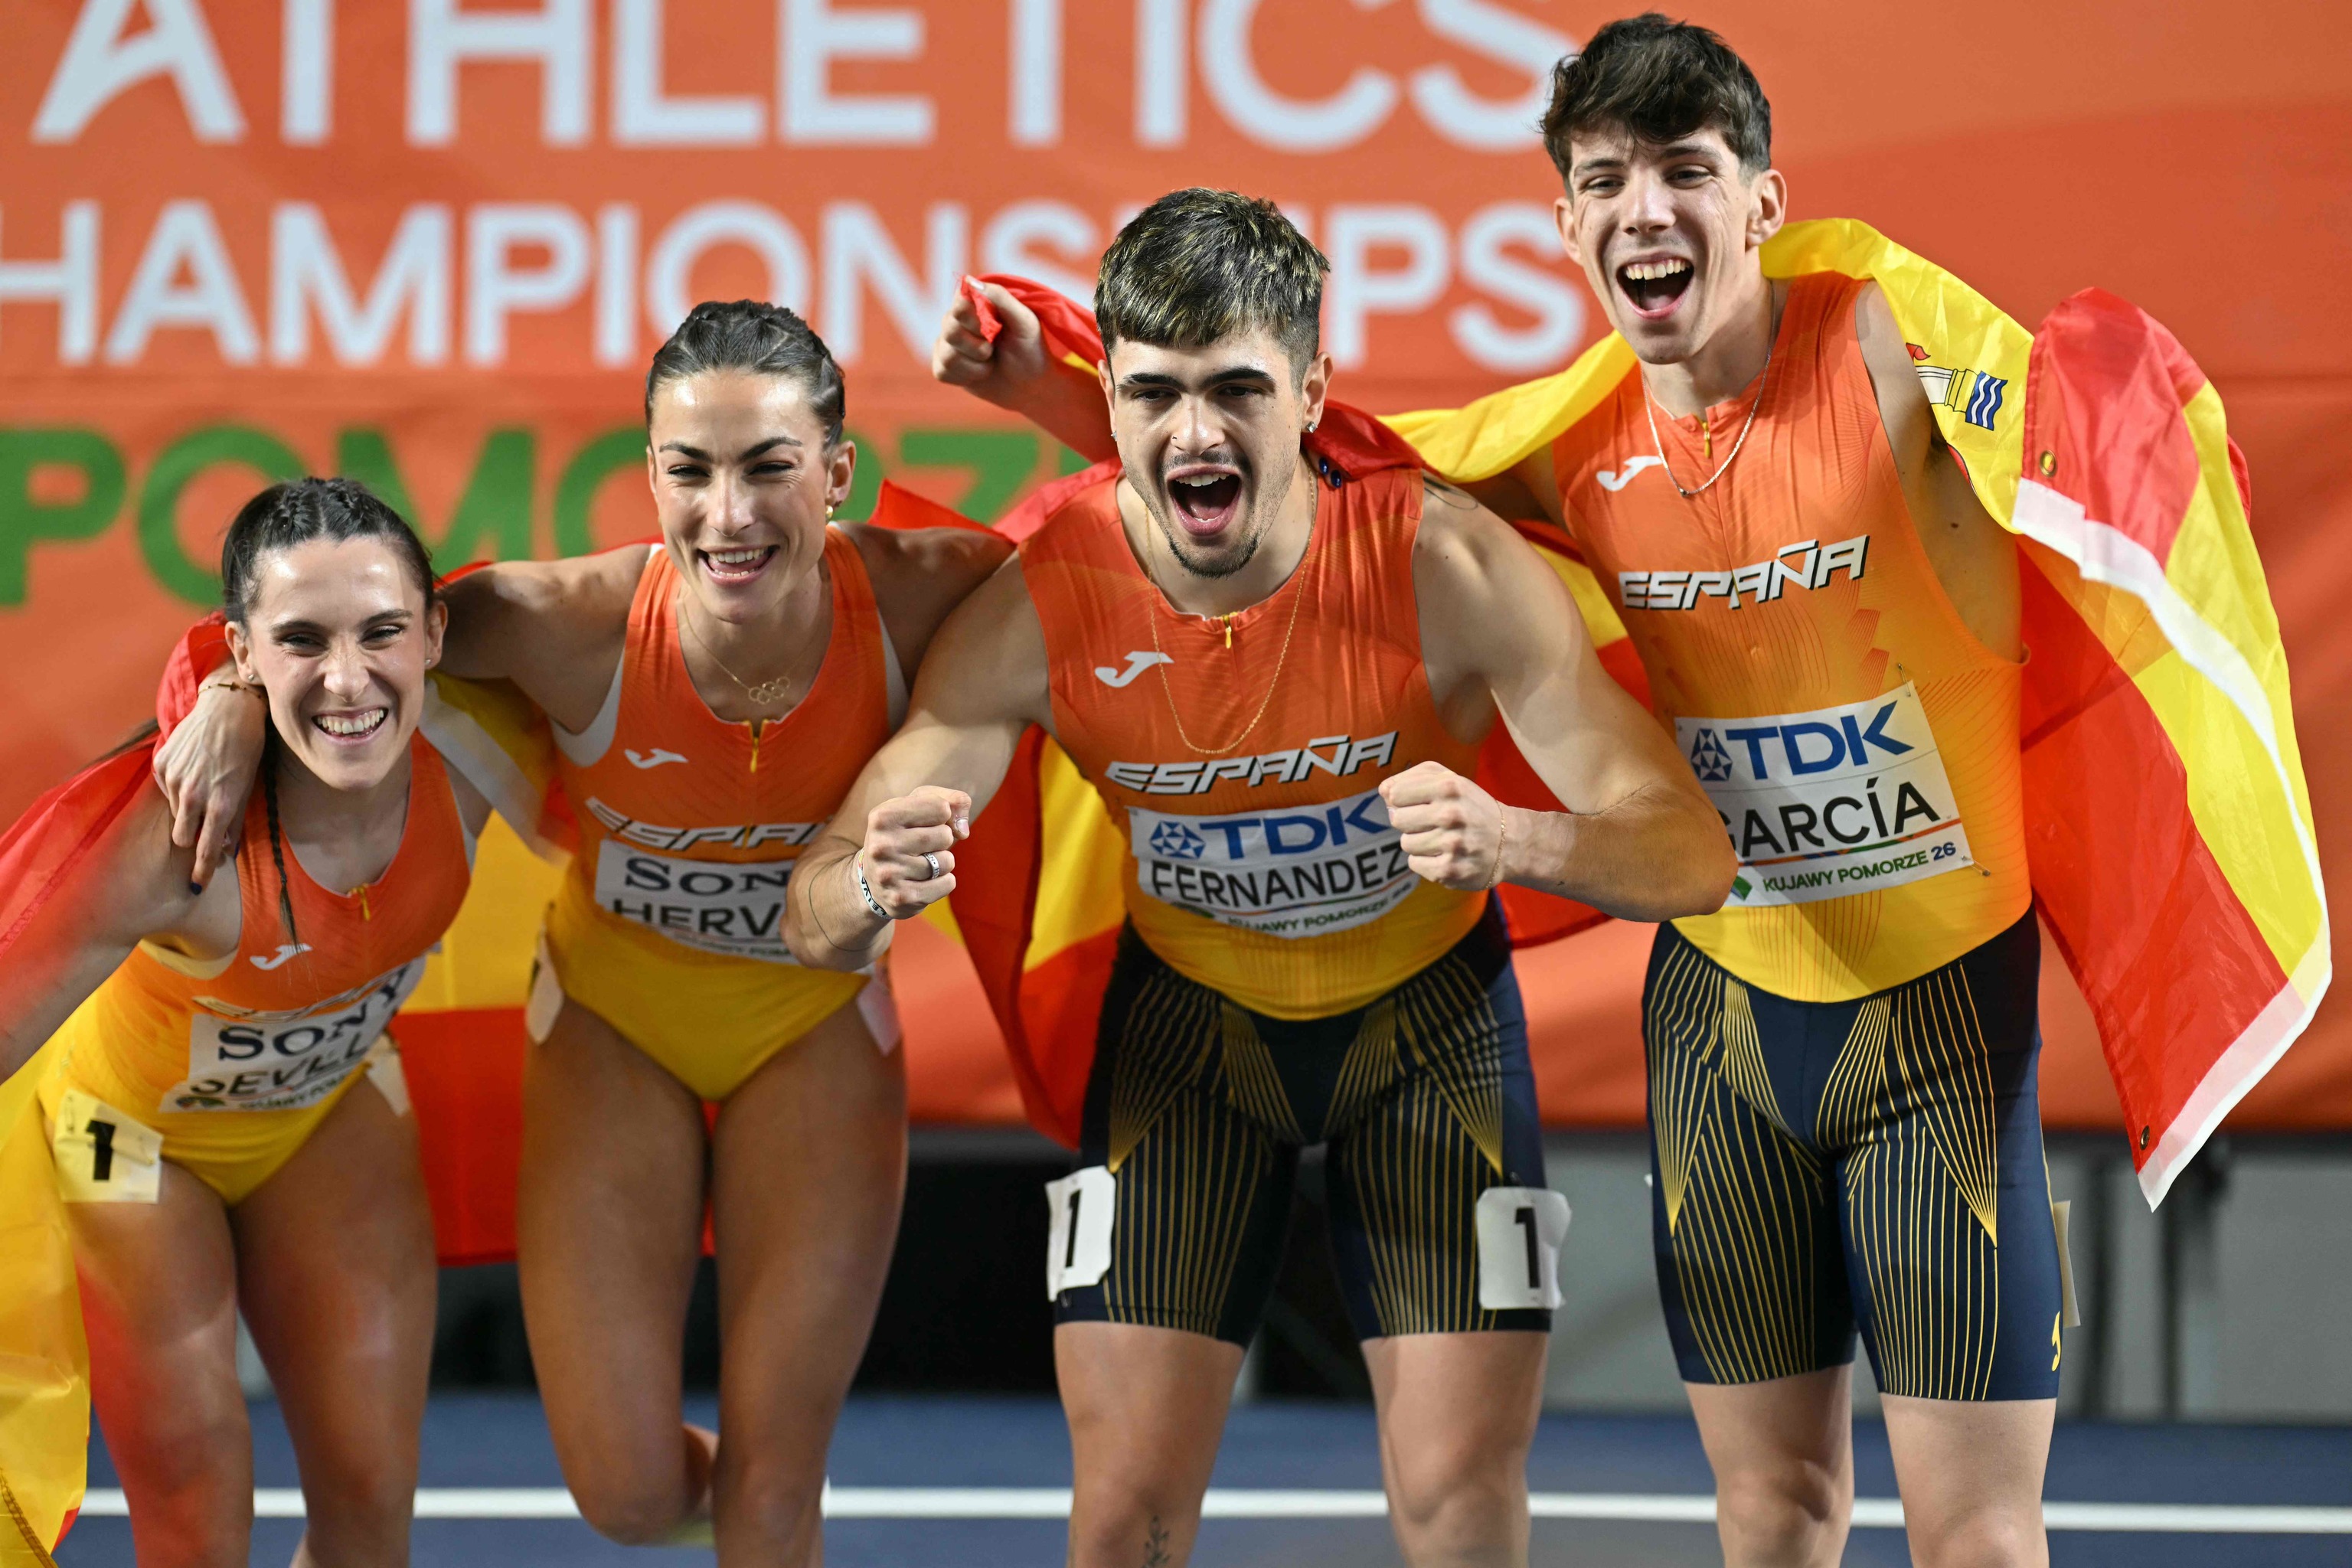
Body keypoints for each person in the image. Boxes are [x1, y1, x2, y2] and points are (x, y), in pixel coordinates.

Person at [939, 18, 2069, 1568]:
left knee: (1983, 1538)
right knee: (1778, 1507)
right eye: (1605, 178)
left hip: (1936, 1010)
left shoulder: (1888, 347)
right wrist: (1067, 402)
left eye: (1687, 171)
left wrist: (2079, 408)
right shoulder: (1571, 436)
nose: (1645, 209)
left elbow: (2090, 452)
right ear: (1565, 222)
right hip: (1726, 1015)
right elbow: (1320, 476)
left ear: (1762, 199)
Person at [786, 188, 1733, 1568]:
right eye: (1157, 394)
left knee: (1461, 1511)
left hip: (1432, 1037)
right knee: (1124, 1518)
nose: (1196, 436)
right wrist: (866, 884)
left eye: (1237, 389)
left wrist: (1520, 840)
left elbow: (1692, 853)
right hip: (1188, 1045)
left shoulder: (1441, 566)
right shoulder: (1038, 605)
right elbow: (813, 916)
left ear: (1311, 395)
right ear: (1103, 400)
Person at [157, 301, 1008, 1563]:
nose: (729, 515)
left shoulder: (939, 596)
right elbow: (351, 627)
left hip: (819, 1037)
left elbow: (1110, 578)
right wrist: (223, 688)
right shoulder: (563, 621)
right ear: (649, 472)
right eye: (691, 470)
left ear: (837, 474)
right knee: (624, 1497)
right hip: (614, 1030)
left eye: (770, 468)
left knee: (775, 1499)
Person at [1, 479, 485, 1567]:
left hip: (323, 1114)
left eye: (382, 633)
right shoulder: (174, 842)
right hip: (126, 1145)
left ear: (435, 633)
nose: (349, 680)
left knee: (370, 1511)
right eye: (300, 641)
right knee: (196, 1504)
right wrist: (208, 691)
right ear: (242, 649)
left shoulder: (481, 747)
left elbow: (658, 625)